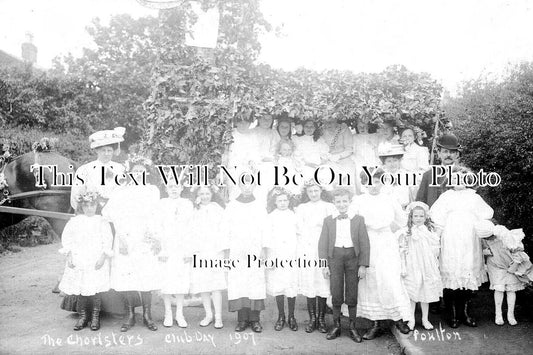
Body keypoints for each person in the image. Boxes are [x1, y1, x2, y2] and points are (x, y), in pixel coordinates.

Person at [102, 156, 161, 332]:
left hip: (145, 238)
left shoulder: (152, 191)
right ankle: (129, 315)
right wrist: (121, 238)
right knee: (127, 276)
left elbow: (156, 215)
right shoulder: (121, 191)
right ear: (130, 173)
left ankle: (147, 315)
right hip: (125, 238)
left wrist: (156, 237)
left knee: (146, 276)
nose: (138, 173)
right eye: (135, 171)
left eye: (141, 171)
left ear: (146, 173)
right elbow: (111, 215)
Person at [430, 166, 494, 328]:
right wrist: (436, 239)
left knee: (468, 271)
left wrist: (483, 227)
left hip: (469, 240)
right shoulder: (446, 197)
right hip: (451, 239)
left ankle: (464, 312)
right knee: (452, 271)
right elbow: (437, 218)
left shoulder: (474, 197)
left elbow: (486, 214)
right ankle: (452, 313)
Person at [355, 168, 412, 339]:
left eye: (377, 181)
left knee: (390, 278)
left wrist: (397, 235)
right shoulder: (358, 201)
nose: (373, 185)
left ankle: (399, 318)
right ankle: (375, 323)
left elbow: (402, 221)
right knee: (371, 281)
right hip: (368, 241)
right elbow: (353, 223)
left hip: (387, 241)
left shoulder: (389, 198)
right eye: (369, 181)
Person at [318, 188, 370, 343]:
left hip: (353, 258)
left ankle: (353, 327)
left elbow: (365, 244)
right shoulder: (328, 220)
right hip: (335, 258)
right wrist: (324, 265)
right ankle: (336, 325)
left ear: (349, 202)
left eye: (344, 201)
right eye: (338, 201)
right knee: (336, 291)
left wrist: (363, 265)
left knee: (352, 292)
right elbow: (322, 244)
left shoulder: (358, 219)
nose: (341, 204)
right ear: (334, 203)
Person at [58, 191, 113, 331]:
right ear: (81, 207)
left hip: (95, 259)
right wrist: (69, 256)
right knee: (81, 289)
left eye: (92, 205)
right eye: (86, 205)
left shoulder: (101, 221)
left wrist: (102, 257)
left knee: (95, 290)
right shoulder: (74, 221)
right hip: (80, 258)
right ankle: (83, 317)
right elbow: (67, 240)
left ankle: (95, 317)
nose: (89, 208)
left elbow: (107, 240)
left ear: (96, 206)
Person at [223, 174, 267, 333]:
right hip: (237, 249)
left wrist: (263, 248)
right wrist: (228, 251)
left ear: (254, 186)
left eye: (250, 184)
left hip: (255, 249)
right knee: (239, 283)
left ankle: (255, 319)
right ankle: (242, 319)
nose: (247, 187)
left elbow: (265, 228)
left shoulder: (260, 205)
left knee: (255, 283)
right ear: (240, 186)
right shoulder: (232, 206)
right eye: (244, 184)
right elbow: (225, 229)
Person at [296, 181, 336, 334]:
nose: (313, 194)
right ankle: (312, 318)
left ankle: (321, 318)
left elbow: (331, 228)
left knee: (322, 282)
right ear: (306, 193)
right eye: (310, 191)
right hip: (307, 247)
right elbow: (299, 229)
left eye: (316, 190)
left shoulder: (328, 207)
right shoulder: (302, 208)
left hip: (323, 246)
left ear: (321, 190)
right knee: (309, 281)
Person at [396, 202, 442, 330]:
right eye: (415, 216)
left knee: (425, 291)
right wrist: (403, 264)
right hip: (412, 264)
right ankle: (411, 320)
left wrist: (433, 261)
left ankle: (425, 319)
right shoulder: (405, 232)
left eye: (421, 216)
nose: (418, 219)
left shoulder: (428, 231)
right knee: (412, 291)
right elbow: (402, 249)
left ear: (425, 217)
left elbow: (435, 247)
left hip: (426, 264)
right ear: (411, 217)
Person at [475, 220, 530, 326]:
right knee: (499, 289)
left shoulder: (504, 235)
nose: (488, 239)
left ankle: (510, 314)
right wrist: (485, 252)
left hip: (510, 265)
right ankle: (498, 314)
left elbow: (518, 251)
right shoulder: (484, 239)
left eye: (489, 237)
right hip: (495, 265)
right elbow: (481, 249)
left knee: (511, 289)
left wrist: (514, 265)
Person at [156, 181, 194, 328]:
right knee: (166, 280)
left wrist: (188, 250)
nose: (173, 189)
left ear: (181, 188)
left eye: (176, 186)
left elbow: (190, 228)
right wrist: (161, 249)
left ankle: (179, 313)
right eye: (170, 186)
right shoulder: (161, 204)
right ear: (166, 188)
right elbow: (157, 226)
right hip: (166, 247)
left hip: (181, 247)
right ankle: (168, 313)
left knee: (180, 281)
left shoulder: (187, 204)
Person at [190, 185, 227, 329]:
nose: (205, 196)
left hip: (215, 250)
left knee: (216, 285)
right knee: (203, 284)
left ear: (212, 194)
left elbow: (223, 229)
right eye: (202, 194)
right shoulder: (194, 210)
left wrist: (220, 248)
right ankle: (208, 315)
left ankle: (218, 316)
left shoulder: (217, 208)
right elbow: (191, 230)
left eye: (207, 193)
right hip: (200, 251)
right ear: (198, 195)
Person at [263, 188, 300, 331]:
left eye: (285, 200)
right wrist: (269, 258)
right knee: (279, 286)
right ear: (275, 202)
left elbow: (299, 233)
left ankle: (291, 316)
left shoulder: (293, 215)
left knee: (290, 286)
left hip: (291, 255)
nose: (283, 203)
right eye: (280, 201)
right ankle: (281, 316)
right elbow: (266, 238)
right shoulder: (271, 217)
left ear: (288, 201)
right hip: (276, 255)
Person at [70, 127, 126, 211]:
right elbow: (76, 194)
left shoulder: (120, 168)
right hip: (92, 212)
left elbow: (123, 192)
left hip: (115, 212)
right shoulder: (85, 169)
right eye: (103, 150)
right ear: (97, 151)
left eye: (109, 150)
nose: (106, 154)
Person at [416, 134, 461, 207]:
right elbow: (419, 203)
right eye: (445, 152)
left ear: (457, 154)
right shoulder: (428, 175)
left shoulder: (463, 175)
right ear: (439, 153)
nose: (448, 155)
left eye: (452, 152)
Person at [400, 127, 429, 201]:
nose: (407, 138)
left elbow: (424, 170)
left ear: (414, 137)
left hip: (414, 182)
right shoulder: (399, 151)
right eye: (404, 136)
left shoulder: (420, 150)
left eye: (410, 136)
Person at [377, 143, 410, 208]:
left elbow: (410, 195)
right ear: (384, 163)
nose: (392, 164)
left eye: (395, 161)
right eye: (389, 161)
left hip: (403, 209)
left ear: (399, 161)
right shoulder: (381, 176)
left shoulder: (406, 175)